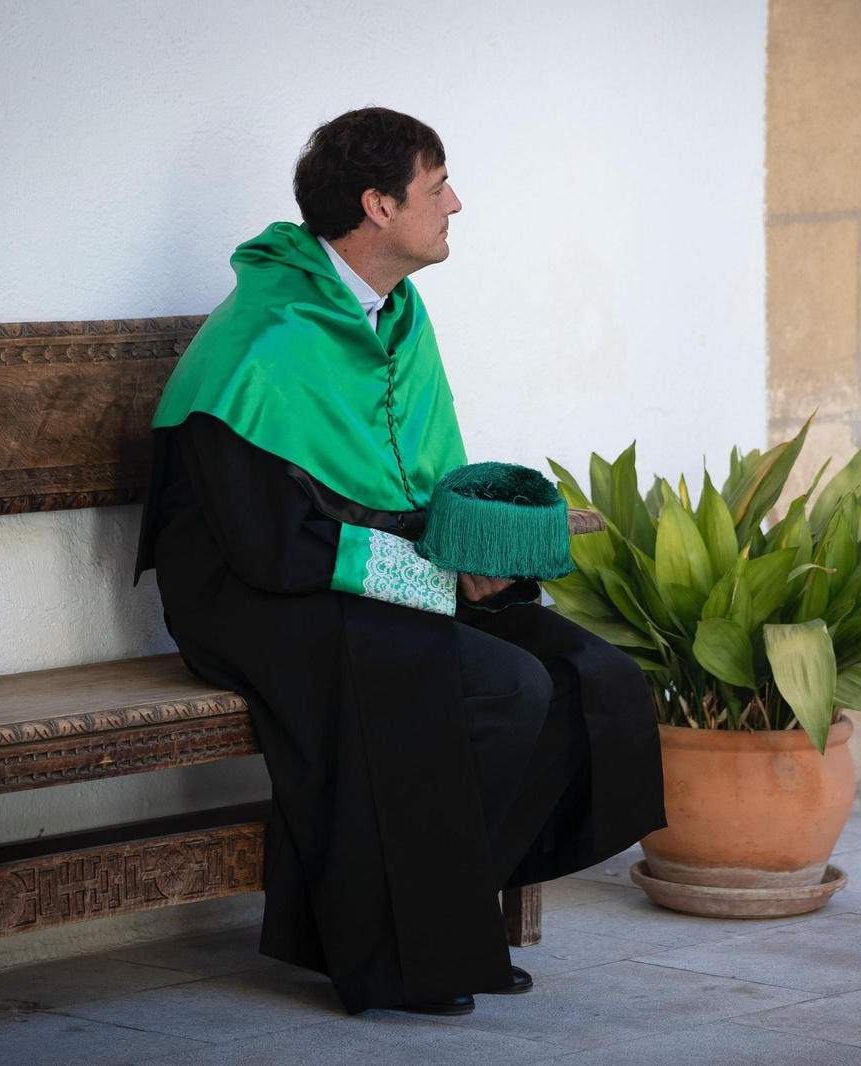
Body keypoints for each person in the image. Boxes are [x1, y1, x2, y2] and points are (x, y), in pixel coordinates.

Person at [133, 107, 665, 1016]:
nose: (455, 201)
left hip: (361, 567)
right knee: (501, 687)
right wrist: (433, 577)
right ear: (378, 206)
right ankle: (389, 947)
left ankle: (425, 915)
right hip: (257, 594)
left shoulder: (396, 315)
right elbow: (268, 543)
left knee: (591, 678)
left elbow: (417, 485)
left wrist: (493, 553)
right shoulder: (266, 339)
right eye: (436, 185)